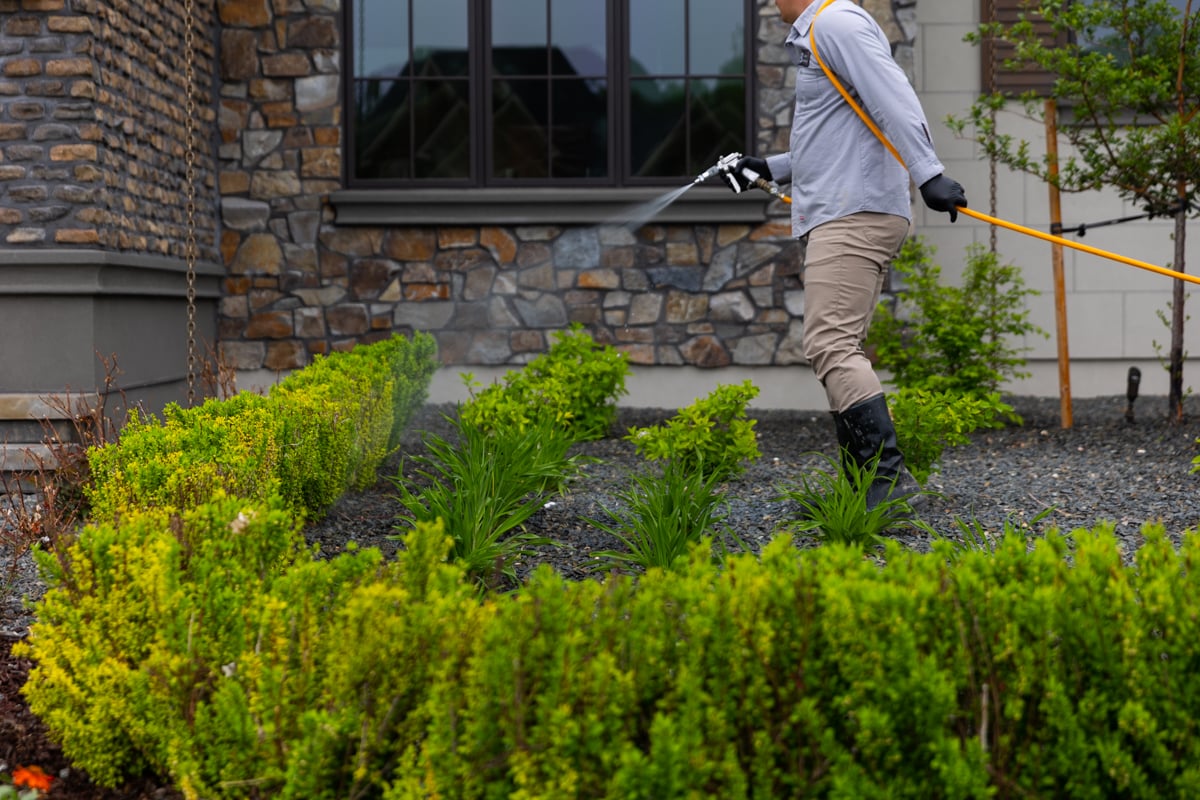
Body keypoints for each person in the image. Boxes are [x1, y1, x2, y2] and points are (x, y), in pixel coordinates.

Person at [722, 0, 966, 510]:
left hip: (853, 213)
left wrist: (928, 174)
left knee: (831, 343)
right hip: (844, 209)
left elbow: (891, 96)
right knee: (835, 344)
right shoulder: (819, 35)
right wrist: (767, 167)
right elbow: (836, 136)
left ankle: (887, 486)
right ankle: (864, 487)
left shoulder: (835, 23)